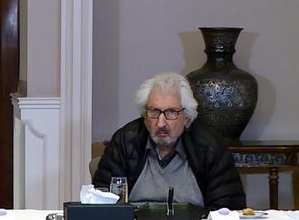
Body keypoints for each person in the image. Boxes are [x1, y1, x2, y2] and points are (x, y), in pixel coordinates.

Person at [93, 72, 245, 210]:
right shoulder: (125, 142)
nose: (161, 123)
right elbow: (102, 206)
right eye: (154, 111)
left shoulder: (210, 147)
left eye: (171, 112)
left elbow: (228, 210)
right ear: (144, 116)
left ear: (187, 117)